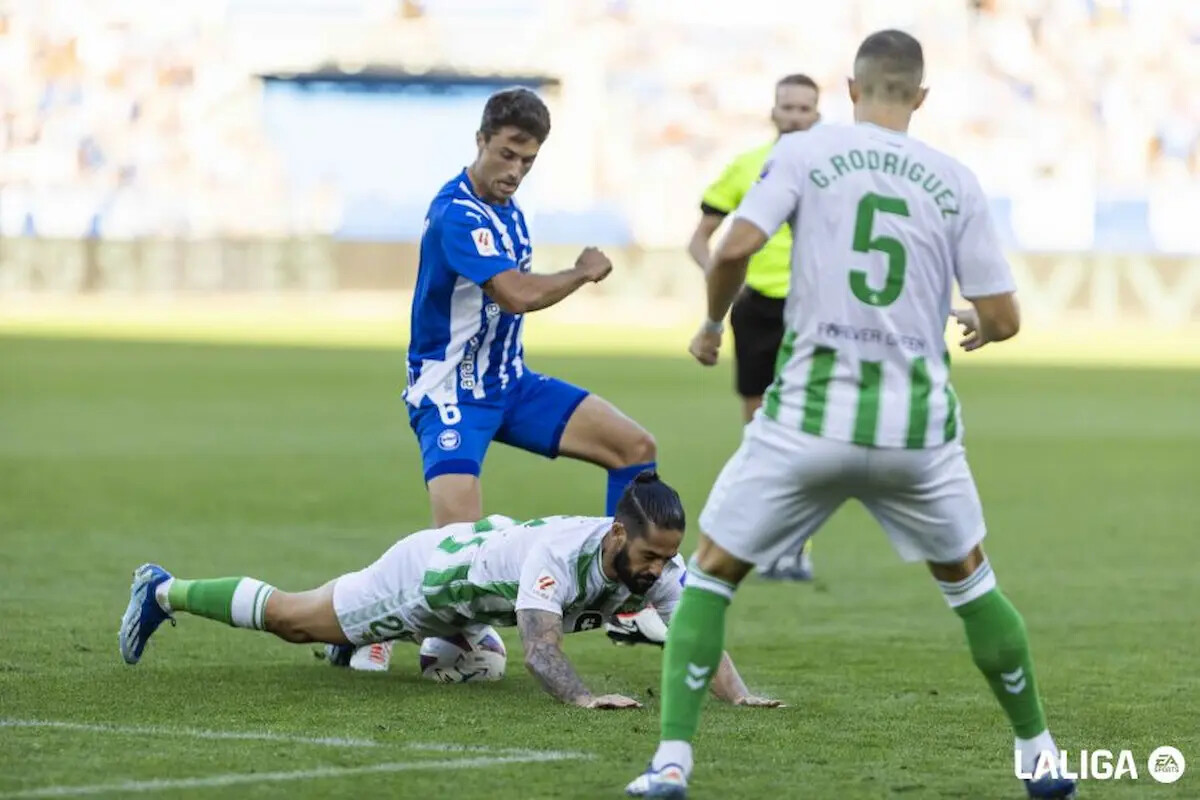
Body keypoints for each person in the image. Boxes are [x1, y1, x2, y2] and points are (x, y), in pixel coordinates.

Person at [627, 30, 1074, 800]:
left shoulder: (808, 151)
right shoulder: (956, 179)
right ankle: (1039, 754)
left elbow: (733, 245)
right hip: (917, 436)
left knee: (709, 579)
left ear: (852, 89)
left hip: (807, 421)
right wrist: (976, 322)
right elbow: (1004, 316)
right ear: (921, 98)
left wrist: (711, 321)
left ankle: (671, 761)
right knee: (971, 586)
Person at [350, 87, 659, 672]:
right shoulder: (455, 213)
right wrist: (582, 272)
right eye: (508, 154)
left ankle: (621, 601)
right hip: (451, 395)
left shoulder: (510, 213)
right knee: (458, 553)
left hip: (510, 385)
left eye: (529, 161)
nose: (515, 170)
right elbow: (514, 295)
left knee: (635, 448)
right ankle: (364, 624)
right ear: (481, 141)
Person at [118, 472, 779, 709]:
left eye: (666, 558)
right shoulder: (560, 555)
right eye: (649, 556)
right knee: (294, 618)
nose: (658, 570)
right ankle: (166, 590)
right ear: (615, 535)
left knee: (477, 668)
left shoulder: (657, 563)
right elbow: (542, 653)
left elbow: (697, 633)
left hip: (478, 594)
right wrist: (583, 699)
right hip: (425, 581)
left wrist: (741, 695)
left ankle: (360, 650)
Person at [686, 74, 821, 582]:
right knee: (760, 429)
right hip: (757, 308)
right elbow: (701, 239)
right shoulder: (747, 167)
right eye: (787, 106)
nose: (794, 115)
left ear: (818, 115)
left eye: (804, 108)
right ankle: (763, 542)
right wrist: (721, 284)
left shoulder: (829, 169)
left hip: (813, 308)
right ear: (773, 112)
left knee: (808, 425)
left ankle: (795, 547)